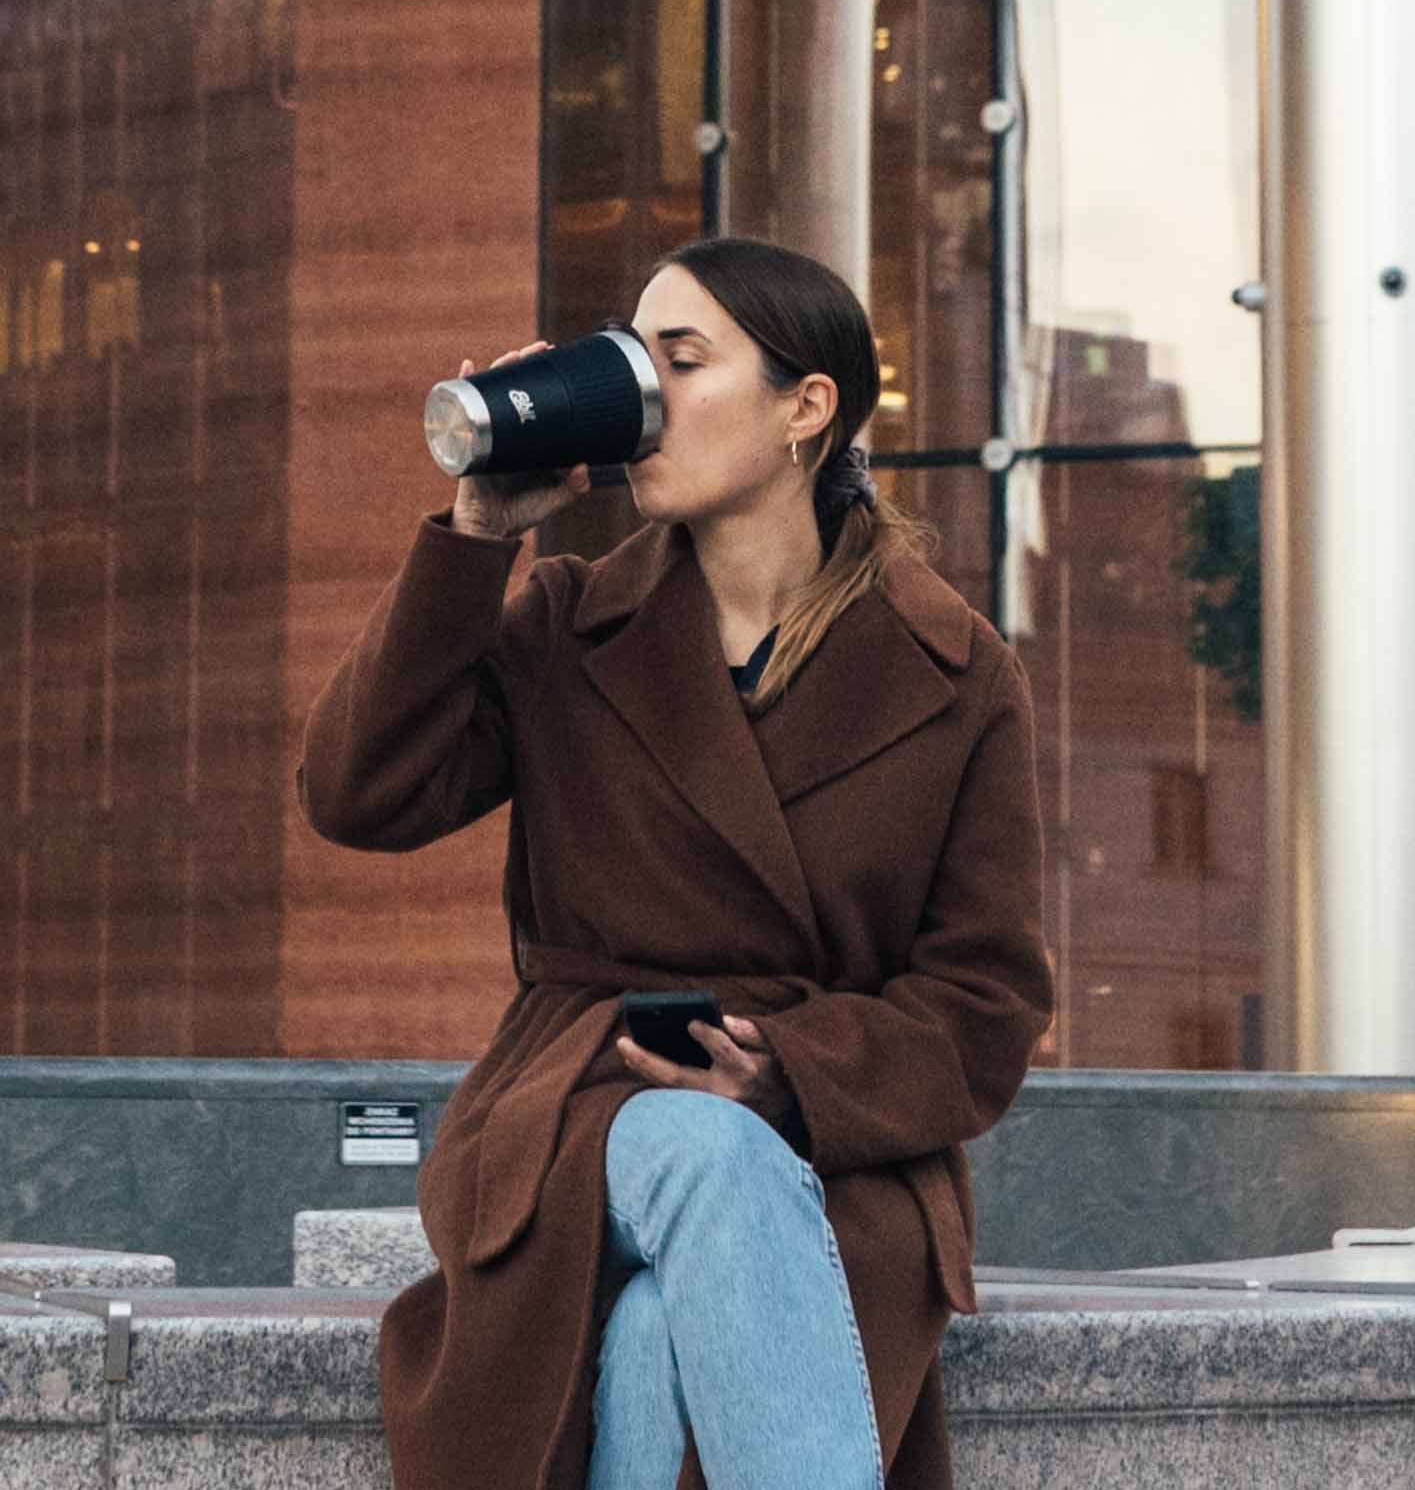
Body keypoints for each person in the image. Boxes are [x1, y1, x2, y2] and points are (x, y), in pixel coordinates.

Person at [298, 236, 1053, 1490]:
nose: (640, 390)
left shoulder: (957, 673)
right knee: (704, 1158)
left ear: (807, 408)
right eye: (633, 356)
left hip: (834, 1149)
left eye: (681, 360)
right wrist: (480, 535)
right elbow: (357, 794)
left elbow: (988, 1002)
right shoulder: (567, 621)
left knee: (656, 1339)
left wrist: (790, 1077)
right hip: (582, 1111)